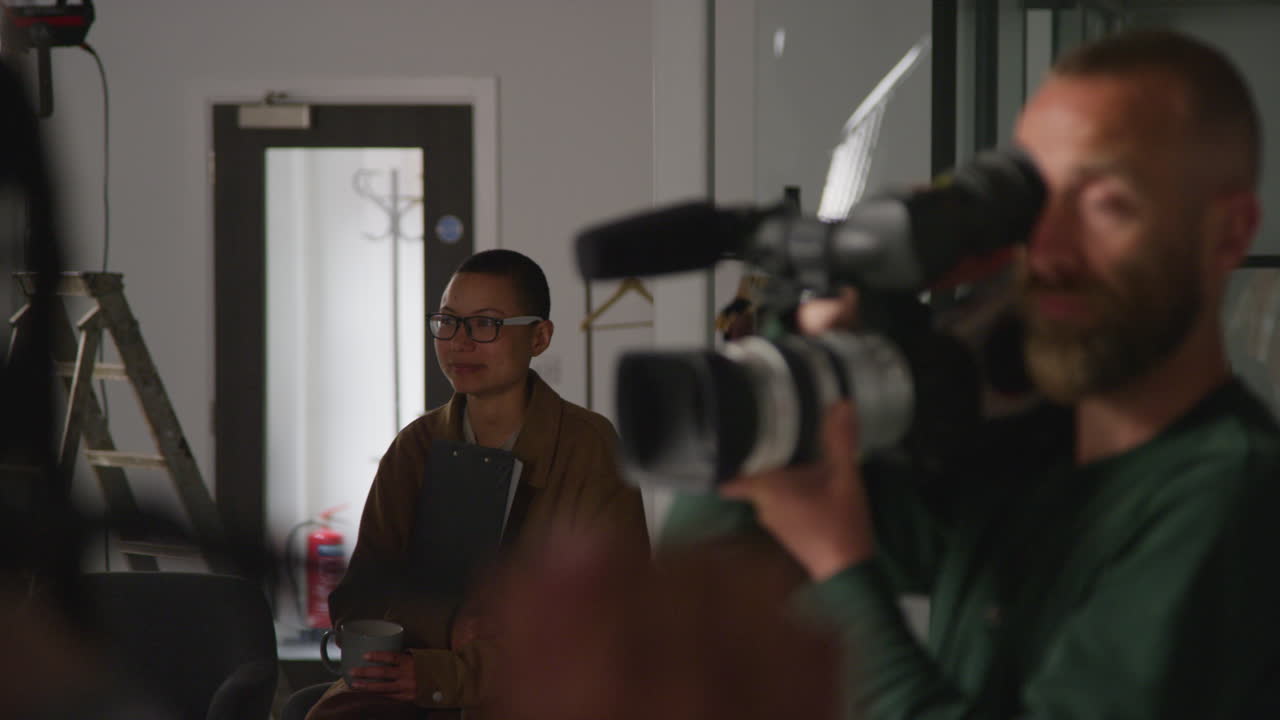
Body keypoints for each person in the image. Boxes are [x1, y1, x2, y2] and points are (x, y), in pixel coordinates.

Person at [487, 29, 1280, 720]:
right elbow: (730, 549)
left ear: (1227, 233)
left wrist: (840, 564)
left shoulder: (1229, 494)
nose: (1050, 249)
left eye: (1107, 206)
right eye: (1031, 205)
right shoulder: (1037, 453)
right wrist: (807, 346)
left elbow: (818, 564)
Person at [306, 249, 649, 720]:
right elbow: (361, 593)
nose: (460, 342)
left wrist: (452, 673)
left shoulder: (588, 448)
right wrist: (446, 636)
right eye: (448, 322)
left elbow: (610, 621)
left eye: (485, 324)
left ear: (539, 337)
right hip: (405, 685)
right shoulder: (416, 447)